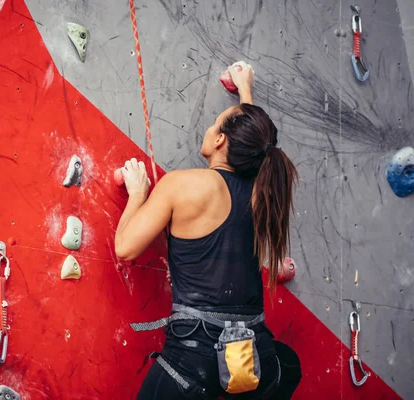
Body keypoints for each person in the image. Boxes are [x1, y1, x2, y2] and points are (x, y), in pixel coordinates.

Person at [115, 61, 302, 399]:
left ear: (219, 139)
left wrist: (138, 195)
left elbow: (125, 247)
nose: (209, 127)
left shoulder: (181, 186)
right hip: (255, 359)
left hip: (194, 361)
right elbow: (257, 143)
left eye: (215, 124)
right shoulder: (264, 191)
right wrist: (245, 90)